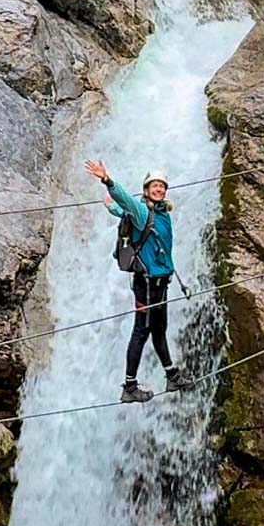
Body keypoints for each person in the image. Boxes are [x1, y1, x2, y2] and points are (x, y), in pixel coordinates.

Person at [85, 158, 188, 403]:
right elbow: (127, 203)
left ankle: (171, 375)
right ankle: (129, 387)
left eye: (162, 186)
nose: (159, 189)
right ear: (146, 189)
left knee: (159, 330)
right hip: (148, 283)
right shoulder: (143, 211)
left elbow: (122, 210)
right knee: (142, 331)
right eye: (154, 186)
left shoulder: (161, 213)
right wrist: (106, 179)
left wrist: (112, 209)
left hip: (160, 283)